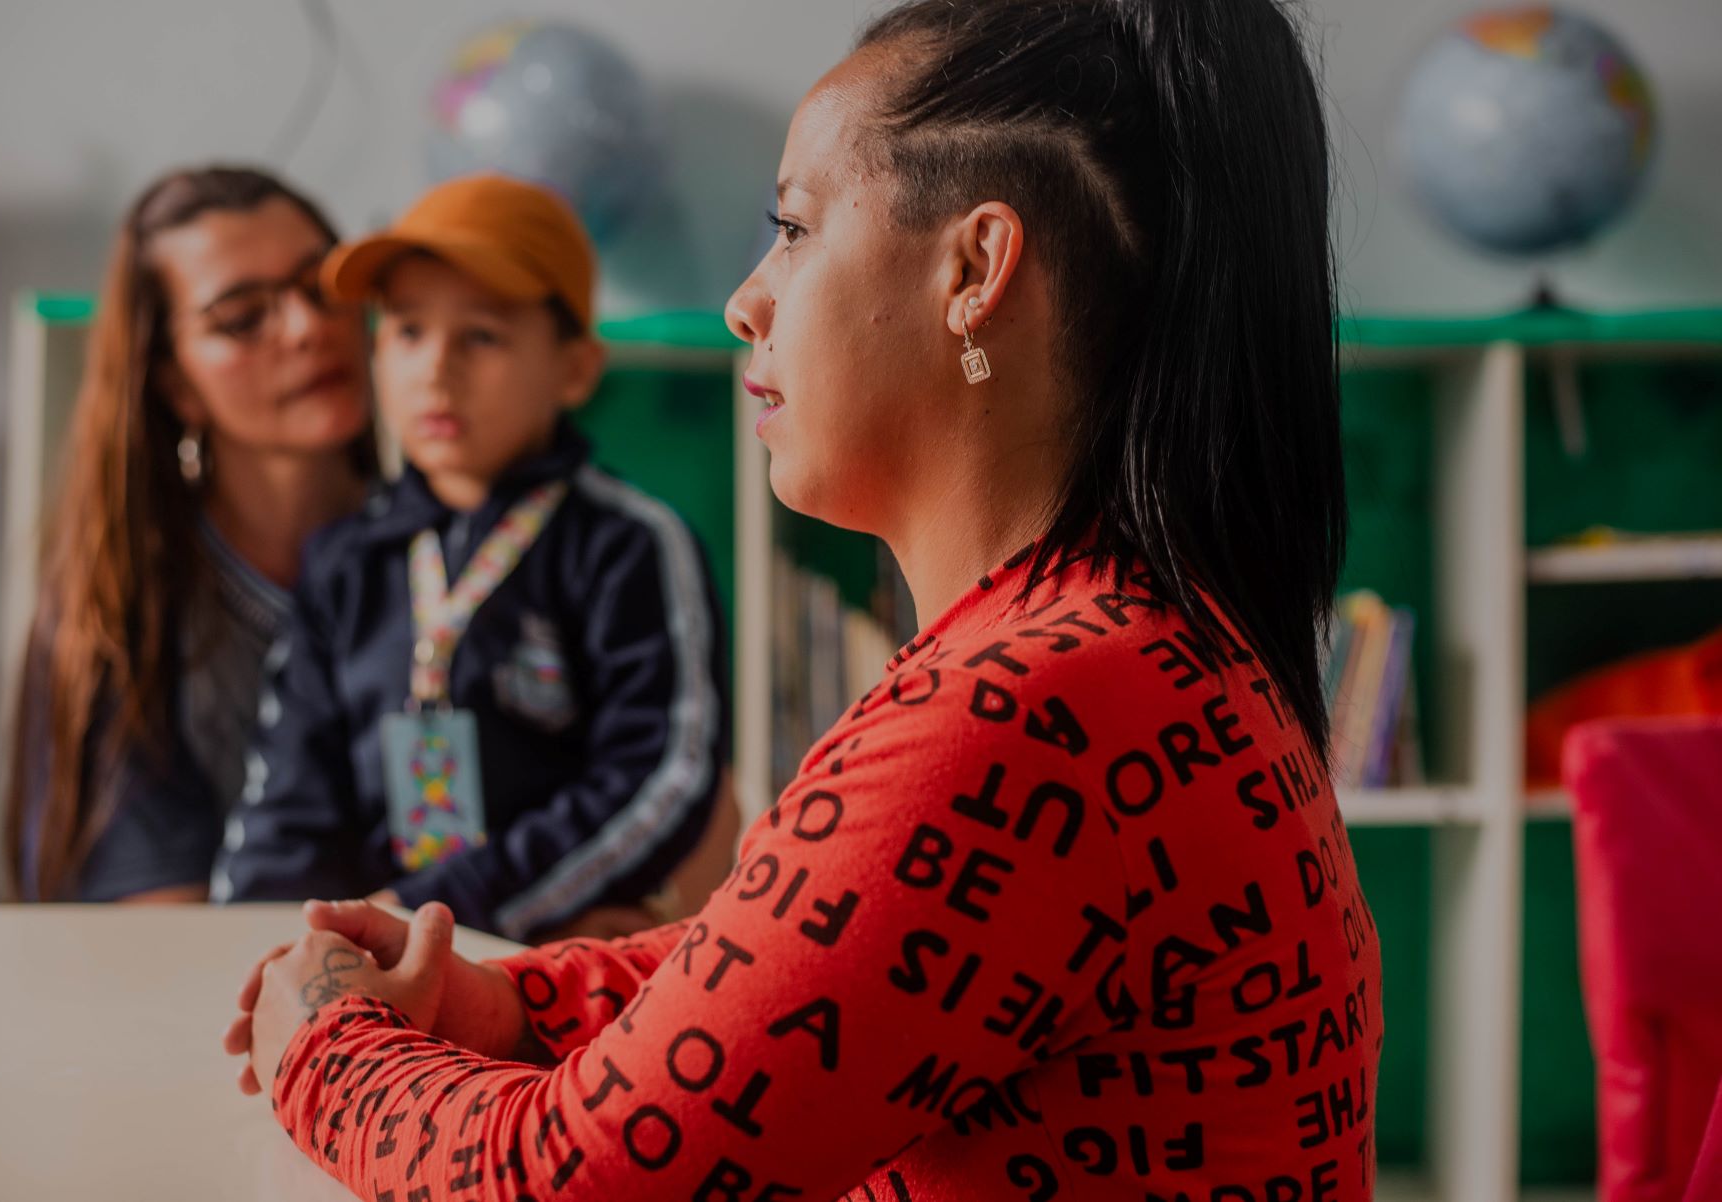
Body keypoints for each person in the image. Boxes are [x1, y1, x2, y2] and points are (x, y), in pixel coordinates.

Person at [224, 0, 1381, 1196]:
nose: (746, 300)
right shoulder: (1120, 649)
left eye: (792, 227)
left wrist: (323, 1040)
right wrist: (507, 1000)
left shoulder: (1028, 711)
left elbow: (564, 1181)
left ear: (975, 268)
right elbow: (808, 962)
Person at [210, 174, 735, 942]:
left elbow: (662, 778)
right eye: (408, 330)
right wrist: (264, 945)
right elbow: (289, 795)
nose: (435, 369)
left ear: (575, 368)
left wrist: (443, 914)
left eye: (482, 336)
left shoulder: (631, 547)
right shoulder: (346, 560)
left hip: (550, 957)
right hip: (378, 969)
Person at [5, 166, 375, 904]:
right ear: (176, 386)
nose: (306, 329)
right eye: (242, 319)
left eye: (322, 288)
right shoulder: (121, 612)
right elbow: (157, 928)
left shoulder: (463, 558)